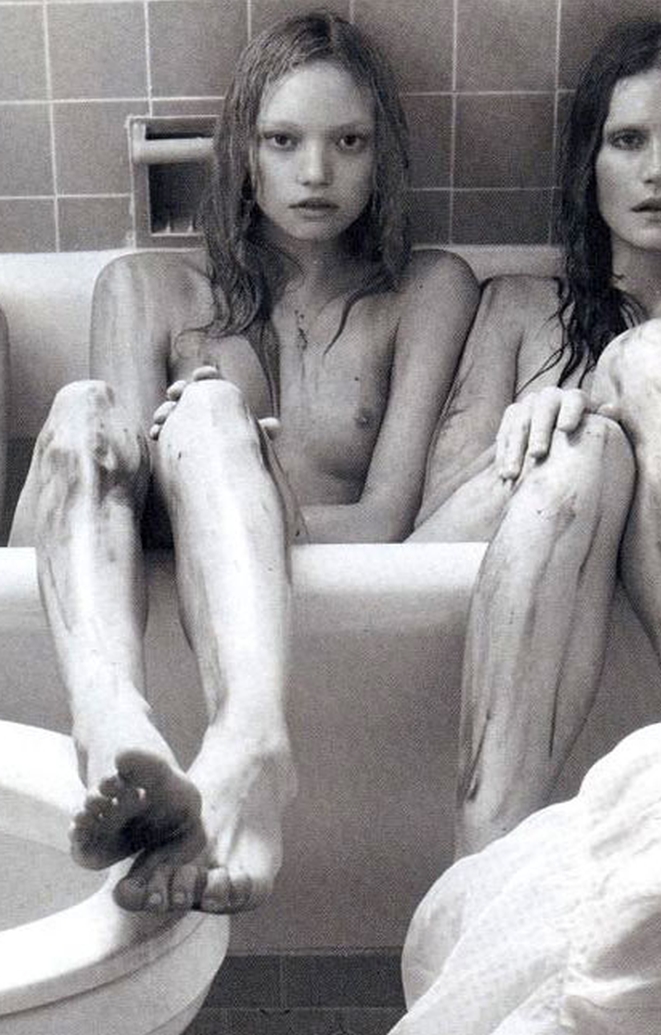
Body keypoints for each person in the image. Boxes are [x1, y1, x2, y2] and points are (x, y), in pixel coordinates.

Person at [8, 11, 477, 915]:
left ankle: (252, 738)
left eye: (348, 142)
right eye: (282, 140)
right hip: (135, 554)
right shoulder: (144, 285)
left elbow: (387, 519)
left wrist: (260, 491)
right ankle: (111, 719)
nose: (315, 172)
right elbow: (116, 518)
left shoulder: (428, 289)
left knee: (211, 407)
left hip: (308, 559)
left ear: (381, 155)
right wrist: (222, 454)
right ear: (242, 154)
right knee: (85, 408)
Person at [412, 18, 661, 859]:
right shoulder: (518, 307)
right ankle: (481, 862)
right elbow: (420, 546)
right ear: (587, 161)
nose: (656, 169)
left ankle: (475, 869)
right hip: (500, 561)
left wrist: (606, 393)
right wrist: (549, 435)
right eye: (627, 140)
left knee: (633, 375)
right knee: (584, 446)